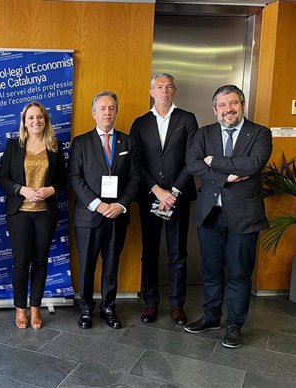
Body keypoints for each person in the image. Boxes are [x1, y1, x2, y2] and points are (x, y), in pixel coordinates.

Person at [184, 84, 272, 348]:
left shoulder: (260, 133)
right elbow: (192, 164)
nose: (228, 110)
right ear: (214, 109)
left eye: (233, 103)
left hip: (245, 216)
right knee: (211, 270)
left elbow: (253, 164)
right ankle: (211, 317)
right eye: (222, 105)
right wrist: (227, 176)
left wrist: (214, 161)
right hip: (210, 213)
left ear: (242, 105)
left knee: (239, 273)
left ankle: (234, 324)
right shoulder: (204, 133)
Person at [130, 74, 198, 325]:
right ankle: (150, 302)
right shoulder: (140, 123)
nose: (164, 91)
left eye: (169, 87)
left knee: (177, 253)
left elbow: (193, 159)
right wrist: (157, 190)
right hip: (150, 197)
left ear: (175, 91)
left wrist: (174, 192)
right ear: (151, 91)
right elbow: (135, 163)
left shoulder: (187, 119)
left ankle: (177, 305)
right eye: (159, 87)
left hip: (178, 198)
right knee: (149, 252)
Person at [68, 91, 140, 329]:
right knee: (87, 265)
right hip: (88, 216)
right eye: (102, 108)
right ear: (93, 113)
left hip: (117, 216)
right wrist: (97, 204)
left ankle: (109, 307)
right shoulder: (81, 142)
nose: (107, 112)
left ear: (116, 112)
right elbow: (75, 178)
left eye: (111, 108)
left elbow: (134, 178)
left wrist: (120, 205)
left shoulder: (128, 142)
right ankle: (86, 309)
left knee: (111, 264)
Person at [0, 102, 67, 330]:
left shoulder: (55, 146)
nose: (35, 121)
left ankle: (35, 308)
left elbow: (63, 180)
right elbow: (3, 178)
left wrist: (51, 190)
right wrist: (22, 189)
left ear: (46, 120)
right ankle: (20, 309)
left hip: (45, 214)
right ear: (24, 122)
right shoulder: (13, 145)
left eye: (40, 117)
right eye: (31, 118)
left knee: (39, 262)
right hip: (19, 213)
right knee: (21, 263)